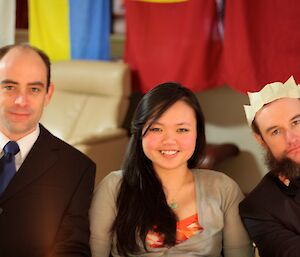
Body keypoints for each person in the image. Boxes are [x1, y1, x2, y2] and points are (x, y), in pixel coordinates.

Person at [90, 82, 253, 257]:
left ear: (197, 134)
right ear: (139, 134)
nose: (170, 140)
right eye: (157, 129)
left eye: (182, 129)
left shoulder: (224, 188)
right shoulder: (113, 188)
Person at [0, 43, 96, 257]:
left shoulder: (77, 168)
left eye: (34, 89)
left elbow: (72, 248)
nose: (21, 101)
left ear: (48, 94)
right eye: (9, 87)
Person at [239, 76, 300, 257]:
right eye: (275, 131)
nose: (291, 139)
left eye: (296, 122)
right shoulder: (259, 208)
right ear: (261, 141)